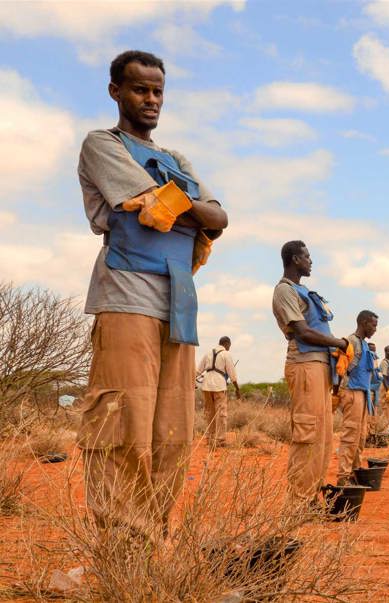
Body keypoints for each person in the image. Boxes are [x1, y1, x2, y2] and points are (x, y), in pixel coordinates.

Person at [76, 50, 227, 537]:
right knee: (122, 425)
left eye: (158, 91)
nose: (151, 99)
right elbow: (147, 207)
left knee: (172, 433)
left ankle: (154, 541)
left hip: (179, 303)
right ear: (115, 91)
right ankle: (123, 550)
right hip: (126, 296)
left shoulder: (174, 158)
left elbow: (219, 218)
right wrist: (187, 207)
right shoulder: (103, 143)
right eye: (140, 89)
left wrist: (177, 205)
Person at [272, 240, 349, 505]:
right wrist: (339, 343)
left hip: (320, 368)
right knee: (307, 435)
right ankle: (297, 503)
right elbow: (303, 332)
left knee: (323, 437)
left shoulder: (303, 291)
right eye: (307, 256)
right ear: (295, 259)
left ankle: (311, 497)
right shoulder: (284, 291)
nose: (311, 261)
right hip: (305, 365)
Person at [337, 311, 378, 486]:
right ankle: (343, 478)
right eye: (373, 325)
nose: (375, 329)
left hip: (363, 394)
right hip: (352, 393)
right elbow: (341, 369)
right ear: (363, 323)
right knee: (350, 436)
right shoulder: (351, 341)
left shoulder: (365, 345)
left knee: (360, 437)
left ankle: (355, 473)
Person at [196, 336, 241, 448]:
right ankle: (220, 440)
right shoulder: (226, 354)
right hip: (219, 385)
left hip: (206, 385)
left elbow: (198, 370)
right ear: (227, 344)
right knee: (221, 414)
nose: (229, 348)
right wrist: (237, 389)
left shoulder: (208, 353)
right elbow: (232, 374)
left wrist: (193, 382)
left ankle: (210, 439)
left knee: (209, 413)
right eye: (229, 346)